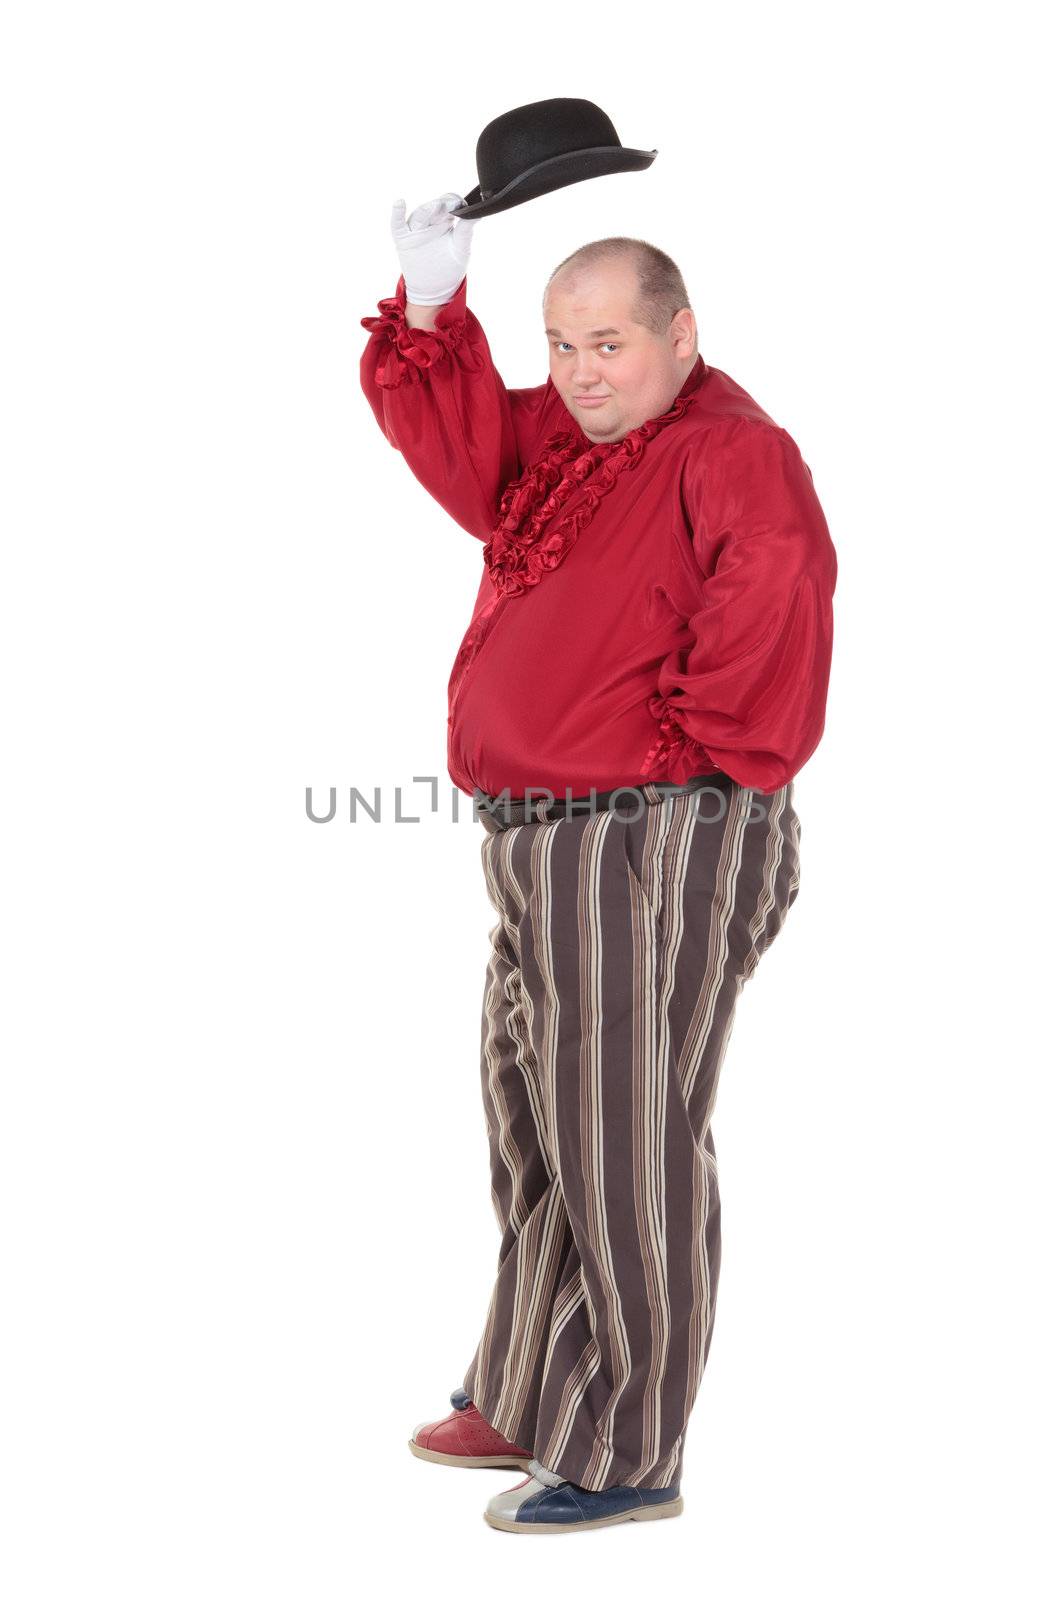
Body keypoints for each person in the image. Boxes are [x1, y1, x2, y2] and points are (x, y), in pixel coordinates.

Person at [359, 194, 837, 1535]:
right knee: (536, 1116)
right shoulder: (573, 439)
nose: (579, 371)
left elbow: (777, 593)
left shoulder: (734, 452)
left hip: (650, 830)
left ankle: (627, 1449)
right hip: (545, 841)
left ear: (682, 335)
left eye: (609, 342)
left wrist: (667, 763)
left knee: (624, 1137)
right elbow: (465, 458)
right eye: (562, 343)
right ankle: (531, 1389)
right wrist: (432, 309)